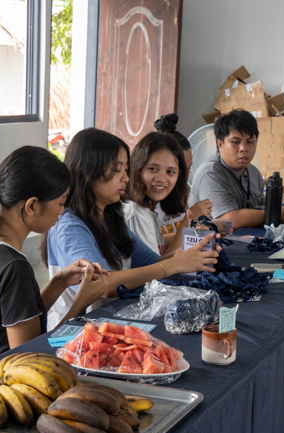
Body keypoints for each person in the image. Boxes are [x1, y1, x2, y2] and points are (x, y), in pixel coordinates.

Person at [45, 128, 220, 328]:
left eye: (126, 170)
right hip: (74, 333)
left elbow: (153, 265)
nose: (125, 178)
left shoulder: (111, 218)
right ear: (88, 171)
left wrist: (195, 252)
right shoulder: (70, 226)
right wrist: (175, 264)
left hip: (110, 322)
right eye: (116, 171)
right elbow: (102, 285)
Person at [0, 146, 107, 367]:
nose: (61, 211)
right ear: (32, 206)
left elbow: (15, 317)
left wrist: (60, 282)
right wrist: (80, 303)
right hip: (7, 388)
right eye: (60, 203)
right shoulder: (13, 267)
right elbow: (32, 357)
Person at [187, 109, 284, 229]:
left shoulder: (253, 173)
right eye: (235, 142)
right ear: (220, 144)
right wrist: (281, 214)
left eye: (249, 142)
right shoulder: (209, 174)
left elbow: (259, 208)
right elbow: (229, 219)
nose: (243, 148)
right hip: (210, 244)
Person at [124, 131, 195, 255]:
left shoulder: (150, 208)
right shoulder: (136, 213)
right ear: (137, 167)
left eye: (170, 172)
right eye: (153, 169)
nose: (161, 179)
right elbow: (157, 270)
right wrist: (186, 226)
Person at [152, 114, 213, 239]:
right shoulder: (146, 203)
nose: (185, 176)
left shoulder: (184, 192)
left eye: (189, 168)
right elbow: (154, 246)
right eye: (176, 170)